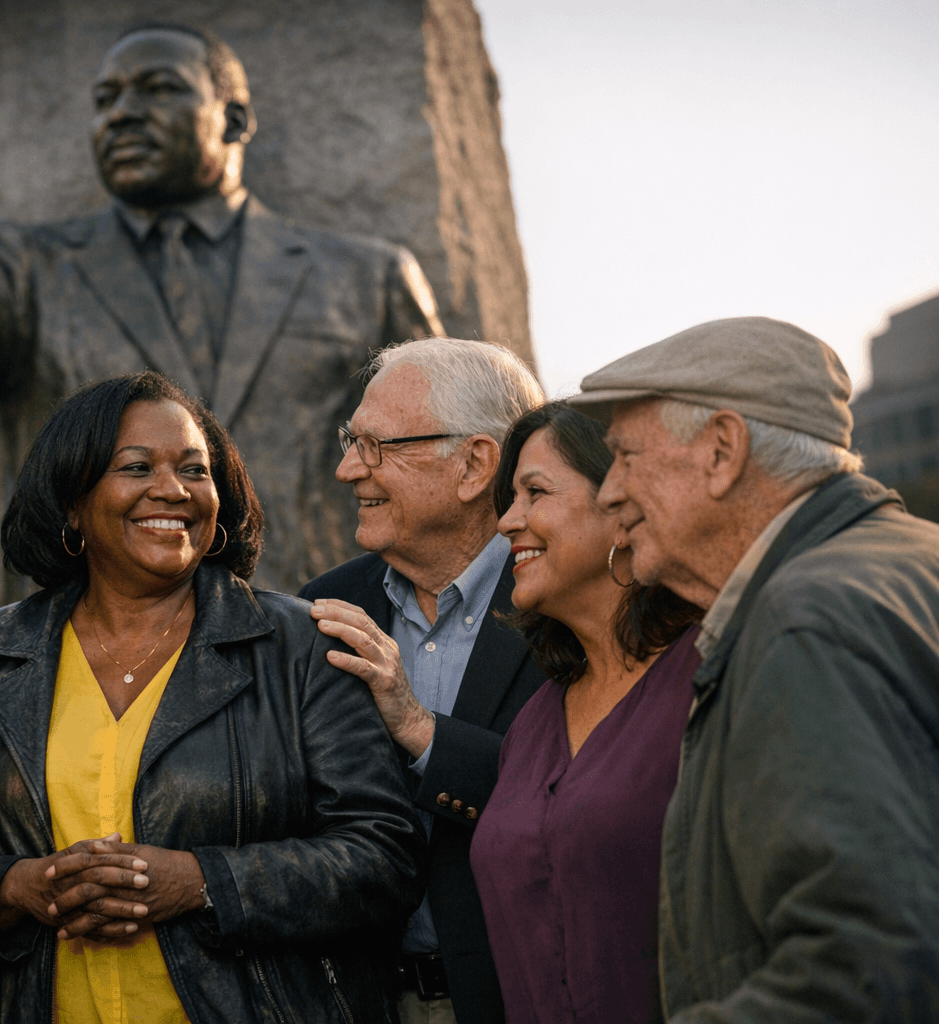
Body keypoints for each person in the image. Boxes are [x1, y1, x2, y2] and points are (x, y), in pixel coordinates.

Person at [0, 21, 442, 608]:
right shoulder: (32, 270)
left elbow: (443, 461)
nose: (121, 113)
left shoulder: (366, 278)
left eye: (156, 89)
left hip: (314, 643)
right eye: (105, 98)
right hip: (90, 653)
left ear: (234, 118)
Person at [0, 370, 429, 1023]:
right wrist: (23, 887)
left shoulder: (301, 646)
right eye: (136, 467)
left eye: (195, 470)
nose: (173, 489)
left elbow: (382, 857)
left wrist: (199, 882)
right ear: (71, 502)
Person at [568, 316, 939, 1020]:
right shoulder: (901, 561)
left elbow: (869, 974)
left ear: (721, 451)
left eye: (625, 456)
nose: (608, 491)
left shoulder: (808, 618)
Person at [300, 337, 546, 1024]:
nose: (350, 469)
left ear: (474, 465)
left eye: (378, 447)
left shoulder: (571, 602)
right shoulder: (321, 611)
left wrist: (418, 729)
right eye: (352, 442)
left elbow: (578, 792)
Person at [467, 401, 702, 1023]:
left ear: (620, 505)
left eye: (534, 492)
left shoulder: (711, 676)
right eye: (508, 499)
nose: (507, 522)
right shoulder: (532, 725)